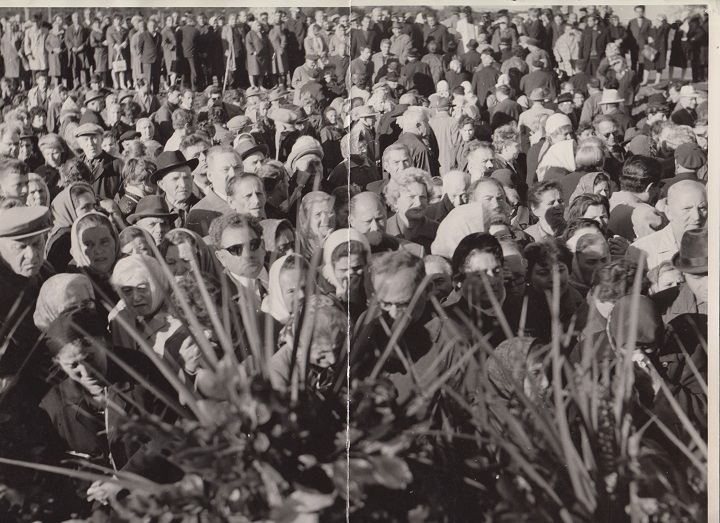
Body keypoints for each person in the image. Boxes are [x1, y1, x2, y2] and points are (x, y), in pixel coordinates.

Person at [626, 180, 706, 272]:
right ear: (668, 212)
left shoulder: (715, 246)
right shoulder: (640, 252)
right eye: (687, 209)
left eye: (702, 208)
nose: (696, 216)